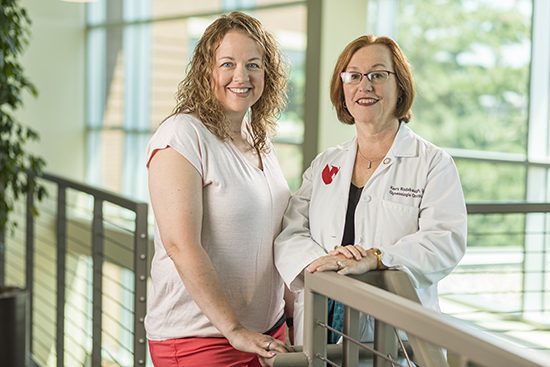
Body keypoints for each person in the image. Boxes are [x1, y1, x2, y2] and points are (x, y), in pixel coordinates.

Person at [274, 35, 467, 345]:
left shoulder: (432, 163)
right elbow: (291, 232)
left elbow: (444, 242)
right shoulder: (327, 162)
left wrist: (377, 257)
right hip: (321, 332)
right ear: (343, 88)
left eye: (378, 75)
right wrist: (322, 263)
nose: (365, 86)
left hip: (395, 338)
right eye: (353, 76)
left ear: (400, 85)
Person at [145, 11, 293, 366]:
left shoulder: (259, 138)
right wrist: (234, 330)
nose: (241, 76)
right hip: (203, 339)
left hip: (267, 335)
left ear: (266, 74)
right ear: (205, 71)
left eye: (253, 65)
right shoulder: (182, 135)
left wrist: (289, 318)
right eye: (227, 63)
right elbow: (181, 245)